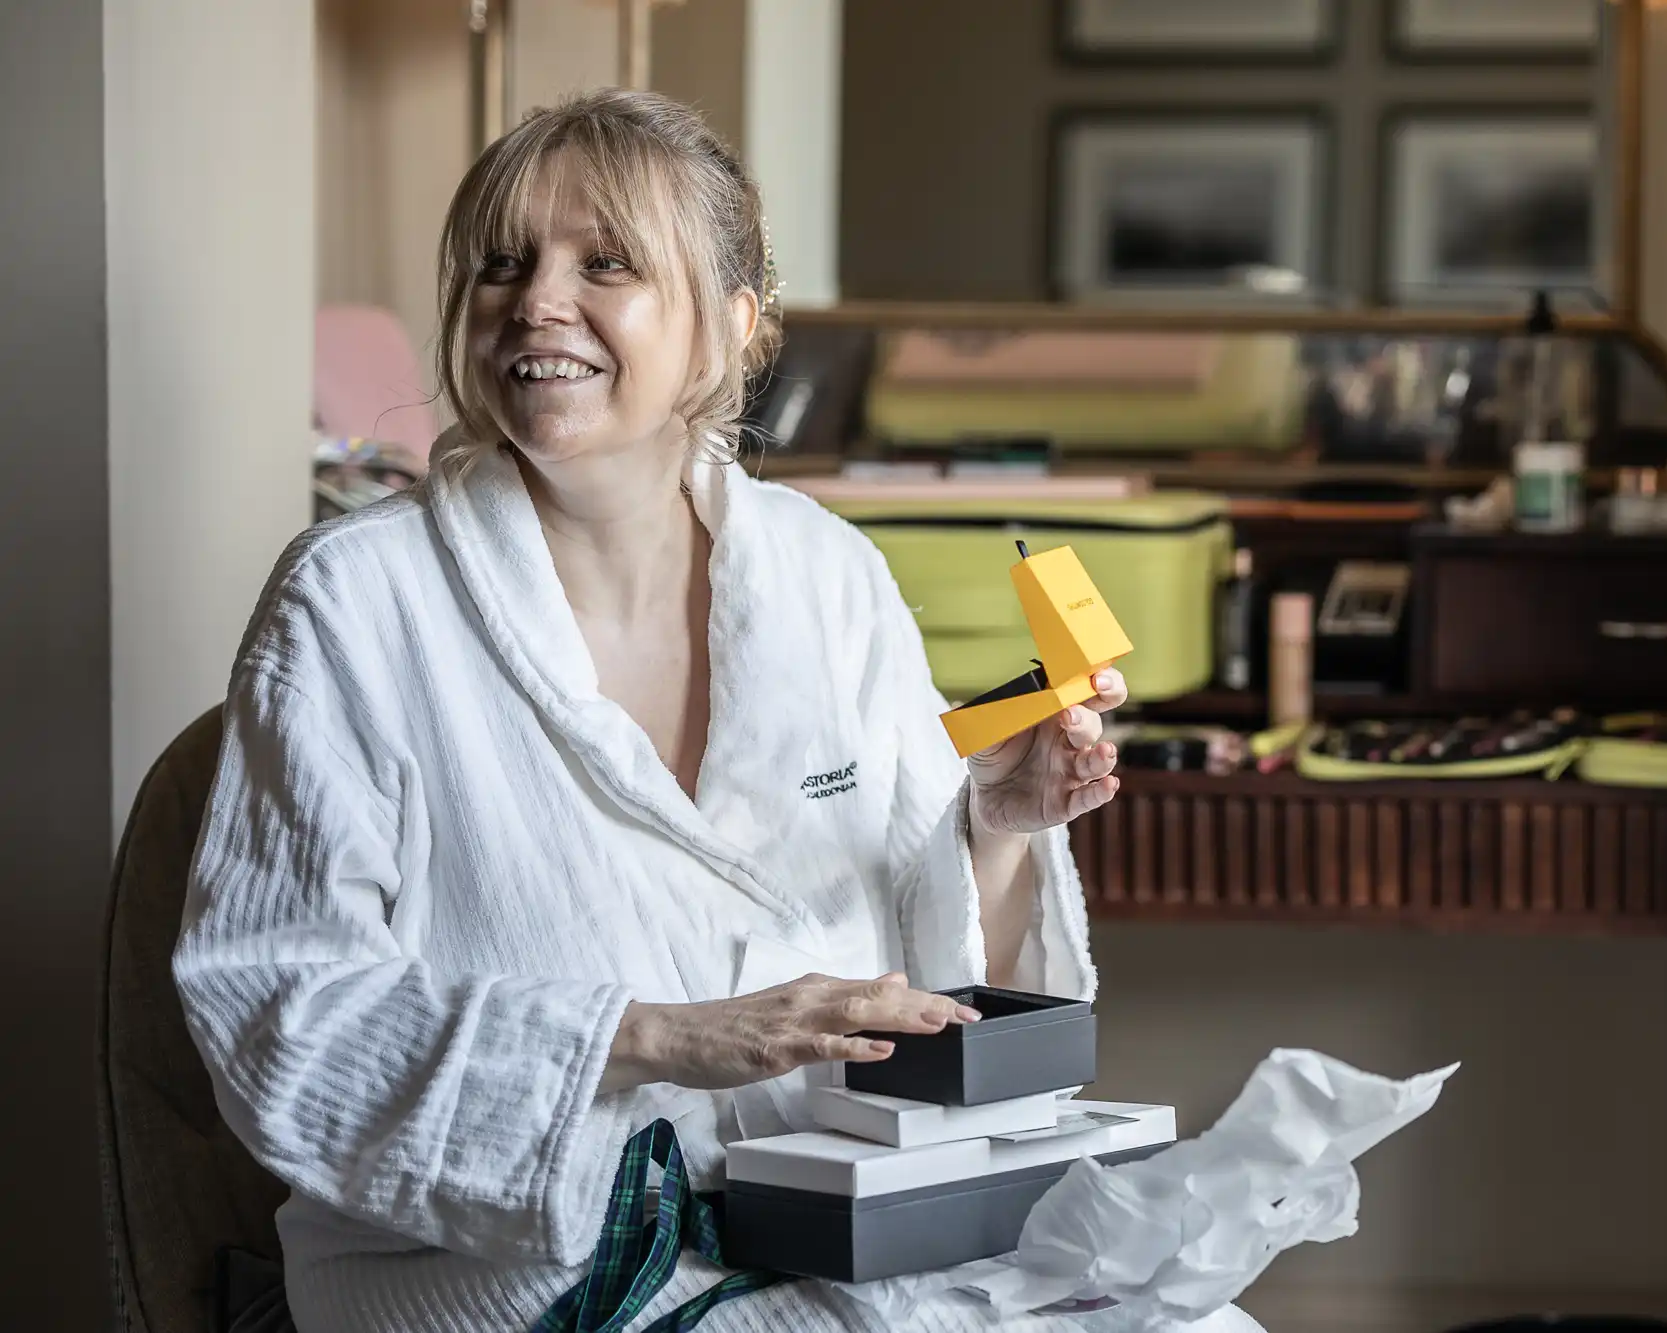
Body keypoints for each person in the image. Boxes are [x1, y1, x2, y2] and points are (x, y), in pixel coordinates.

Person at [173, 90, 1262, 1332]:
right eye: (500, 262)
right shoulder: (356, 604)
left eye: (607, 263)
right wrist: (664, 1037)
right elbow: (280, 1019)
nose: (533, 300)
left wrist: (998, 828)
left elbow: (947, 992)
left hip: (846, 1226)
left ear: (729, 329)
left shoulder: (824, 572)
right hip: (515, 1271)